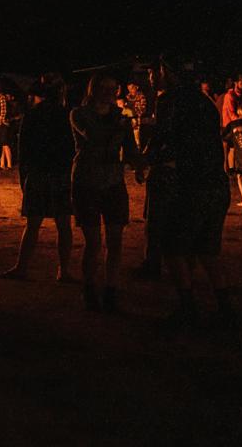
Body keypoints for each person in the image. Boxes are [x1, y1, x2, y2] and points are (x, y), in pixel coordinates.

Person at [147, 56, 235, 327]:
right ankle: (225, 309)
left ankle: (187, 308)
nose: (154, 75)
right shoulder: (205, 102)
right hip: (216, 183)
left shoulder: (170, 101)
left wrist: (147, 158)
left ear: (168, 73)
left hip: (191, 184)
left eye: (158, 70)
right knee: (207, 250)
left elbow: (165, 138)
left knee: (173, 248)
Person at [70, 75, 143, 313]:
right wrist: (119, 124)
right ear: (93, 89)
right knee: (93, 242)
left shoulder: (120, 119)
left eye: (113, 87)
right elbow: (94, 137)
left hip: (113, 181)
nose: (109, 92)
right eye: (104, 87)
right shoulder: (79, 114)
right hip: (87, 181)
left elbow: (131, 150)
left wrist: (143, 164)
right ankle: (89, 288)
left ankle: (111, 289)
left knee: (115, 240)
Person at [0, 76, 75, 282]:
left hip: (39, 174)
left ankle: (22, 267)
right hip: (60, 174)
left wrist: (24, 177)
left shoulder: (32, 116)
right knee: (63, 224)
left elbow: (24, 151)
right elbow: (72, 148)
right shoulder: (66, 115)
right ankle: (64, 270)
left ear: (36, 97)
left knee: (33, 224)